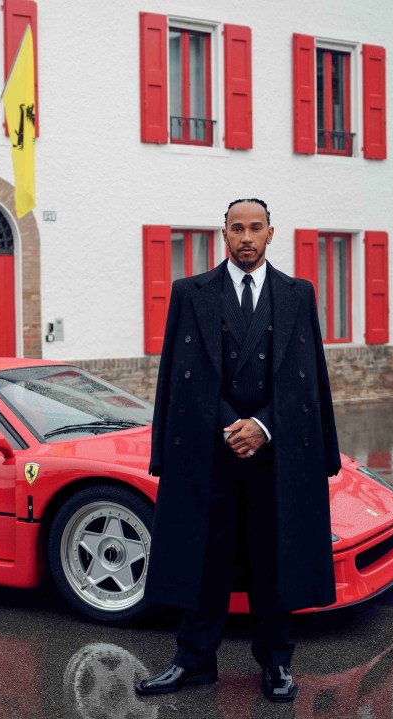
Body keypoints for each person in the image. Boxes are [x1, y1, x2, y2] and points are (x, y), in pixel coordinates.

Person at [135, 198, 341, 703]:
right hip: (210, 451)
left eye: (255, 228)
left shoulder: (298, 294)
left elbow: (308, 378)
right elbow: (178, 380)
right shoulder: (191, 293)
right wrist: (232, 424)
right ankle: (193, 660)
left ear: (272, 233)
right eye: (236, 229)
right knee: (204, 558)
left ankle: (275, 664)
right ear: (222, 235)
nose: (245, 237)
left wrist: (264, 426)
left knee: (275, 557)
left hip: (276, 453)